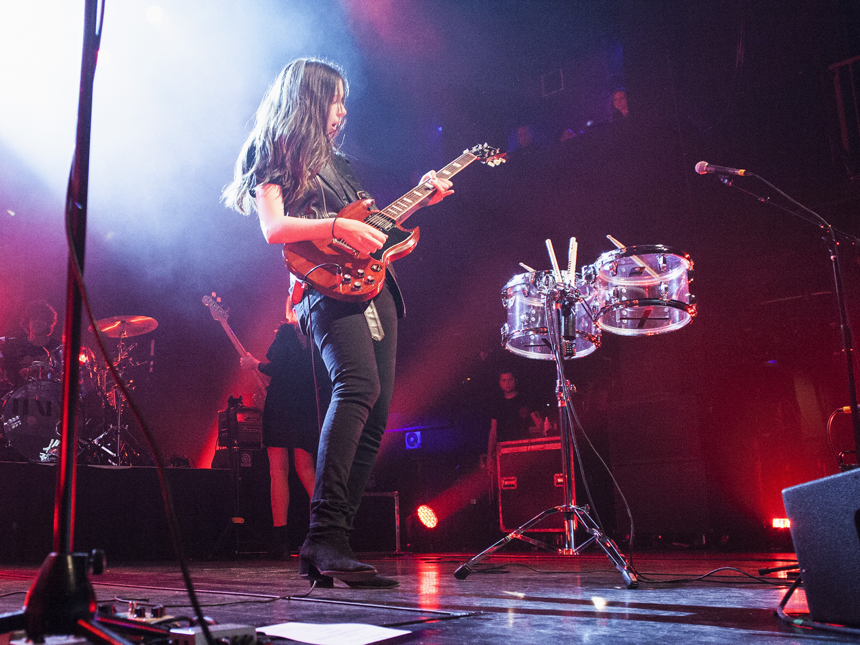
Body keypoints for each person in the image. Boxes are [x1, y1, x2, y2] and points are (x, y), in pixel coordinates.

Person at [223, 58, 454, 588]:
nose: (343, 112)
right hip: (325, 292)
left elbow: (368, 230)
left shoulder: (340, 164)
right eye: (336, 100)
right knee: (357, 387)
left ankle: (334, 539)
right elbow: (274, 227)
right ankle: (323, 536)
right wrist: (333, 227)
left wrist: (423, 196)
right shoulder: (274, 150)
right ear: (310, 99)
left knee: (375, 412)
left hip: (377, 289)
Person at [240, 303, 323, 559]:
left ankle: (280, 539)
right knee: (306, 469)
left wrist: (254, 364)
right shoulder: (317, 335)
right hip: (307, 407)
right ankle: (325, 532)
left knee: (278, 471)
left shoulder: (286, 333)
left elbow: (278, 368)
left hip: (281, 407)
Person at [485, 370, 545, 484]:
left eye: (510, 379)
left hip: (524, 450)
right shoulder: (497, 404)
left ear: (515, 380)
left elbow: (539, 423)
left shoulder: (525, 399)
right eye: (504, 380)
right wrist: (489, 456)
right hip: (504, 451)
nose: (507, 383)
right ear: (500, 383)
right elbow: (493, 431)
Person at [0, 299, 61, 392]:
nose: (37, 322)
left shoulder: (58, 348)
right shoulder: (16, 346)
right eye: (34, 319)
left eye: (42, 318)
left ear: (49, 323)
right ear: (27, 322)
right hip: (19, 398)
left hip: (50, 397)